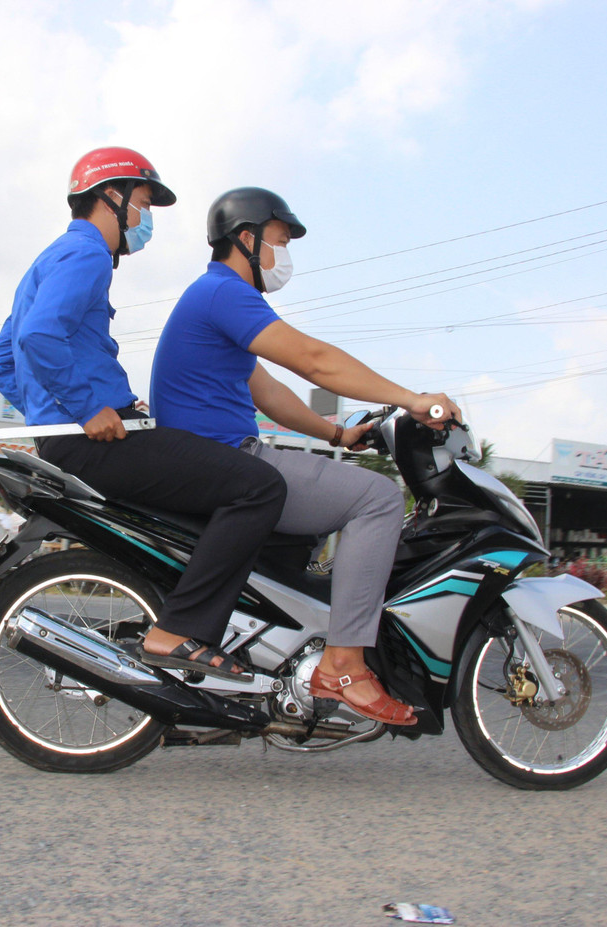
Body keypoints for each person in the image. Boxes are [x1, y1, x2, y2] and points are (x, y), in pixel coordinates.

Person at [150, 187, 463, 724]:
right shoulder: (224, 293)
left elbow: (268, 393)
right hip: (228, 459)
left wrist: (337, 434)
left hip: (219, 457)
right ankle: (343, 665)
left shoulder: (213, 299)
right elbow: (314, 361)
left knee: (324, 515)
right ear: (246, 239)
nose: (285, 255)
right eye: (279, 241)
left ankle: (280, 650)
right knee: (378, 498)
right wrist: (413, 400)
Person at [0, 148, 287, 680]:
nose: (146, 219)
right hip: (96, 440)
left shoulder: (52, 257)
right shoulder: (88, 254)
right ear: (112, 196)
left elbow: (1, 362)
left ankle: (191, 617)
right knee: (259, 487)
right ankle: (180, 630)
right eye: (143, 204)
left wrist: (52, 415)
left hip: (72, 438)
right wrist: (87, 410)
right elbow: (37, 337)